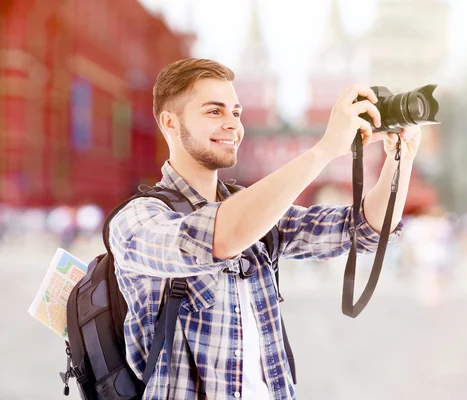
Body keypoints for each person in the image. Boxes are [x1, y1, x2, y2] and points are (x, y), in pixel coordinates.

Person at [109, 58, 421, 400]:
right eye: (214, 112)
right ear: (170, 122)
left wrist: (399, 160)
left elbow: (364, 230)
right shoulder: (137, 220)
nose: (233, 125)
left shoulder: (260, 213)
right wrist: (325, 150)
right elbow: (215, 238)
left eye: (237, 113)